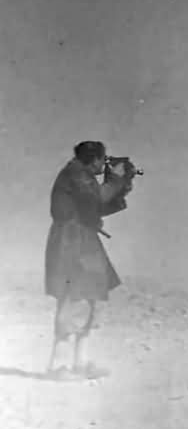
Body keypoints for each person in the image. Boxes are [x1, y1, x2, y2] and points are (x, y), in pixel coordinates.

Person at [44, 141, 134, 380]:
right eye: (101, 160)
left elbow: (97, 206)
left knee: (90, 295)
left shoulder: (81, 175)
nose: (103, 165)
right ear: (92, 159)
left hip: (82, 237)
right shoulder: (75, 173)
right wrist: (116, 180)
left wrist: (123, 186)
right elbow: (95, 197)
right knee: (74, 297)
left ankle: (80, 364)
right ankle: (58, 366)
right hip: (71, 240)